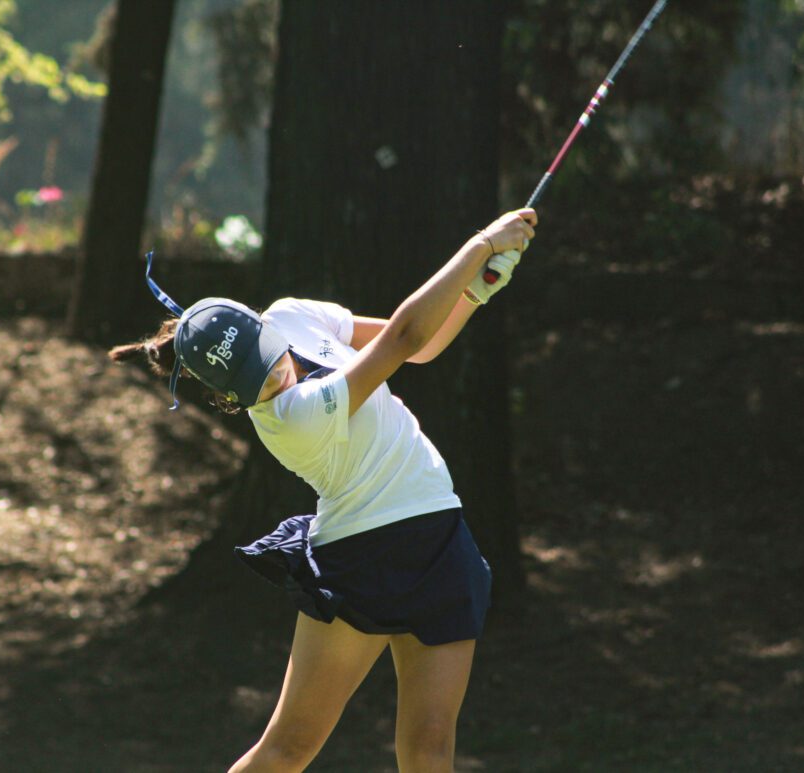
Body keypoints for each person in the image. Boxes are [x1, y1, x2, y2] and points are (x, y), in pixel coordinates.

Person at [109, 208, 537, 771]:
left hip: (440, 534)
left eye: (266, 359)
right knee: (291, 746)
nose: (273, 378)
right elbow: (405, 339)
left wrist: (473, 294)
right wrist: (481, 244)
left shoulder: (291, 315)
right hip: (362, 558)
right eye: (251, 383)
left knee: (432, 745)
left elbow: (420, 343)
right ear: (226, 399)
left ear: (262, 325)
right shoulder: (289, 419)